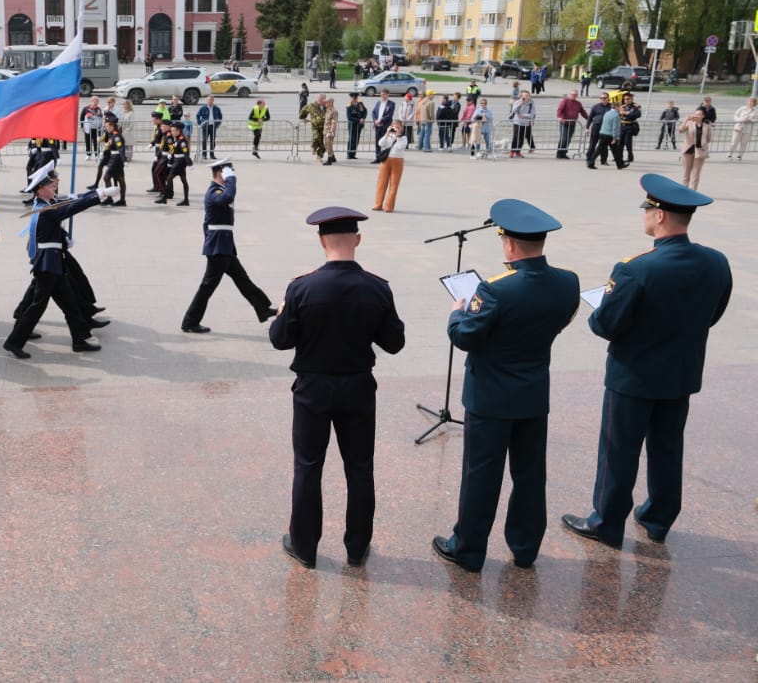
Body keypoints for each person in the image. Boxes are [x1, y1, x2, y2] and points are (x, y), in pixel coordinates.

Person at [561, 174, 731, 548]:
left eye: (647, 210)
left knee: (619, 451)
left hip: (633, 376)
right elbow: (713, 313)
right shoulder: (716, 262)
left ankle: (605, 523)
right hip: (682, 374)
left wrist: (601, 310)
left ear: (658, 216)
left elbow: (606, 324)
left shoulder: (635, 268)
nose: (644, 216)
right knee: (667, 447)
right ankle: (657, 519)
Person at [432, 200, 580, 572]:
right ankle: (525, 547)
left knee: (481, 474)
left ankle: (467, 549)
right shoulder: (568, 281)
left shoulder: (495, 289)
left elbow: (465, 336)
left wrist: (457, 312)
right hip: (532, 394)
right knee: (530, 474)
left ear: (509, 244)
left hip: (490, 398)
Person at [270, 207, 406, 568]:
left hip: (313, 388)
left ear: (321, 242)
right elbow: (395, 343)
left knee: (308, 467)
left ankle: (305, 546)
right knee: (360, 467)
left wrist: (284, 310)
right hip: (358, 387)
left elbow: (280, 340)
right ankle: (357, 547)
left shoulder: (301, 286)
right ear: (357, 241)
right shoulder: (377, 288)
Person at [3, 162, 119, 359]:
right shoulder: (46, 210)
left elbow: (72, 199)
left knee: (70, 304)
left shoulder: (47, 204)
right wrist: (99, 196)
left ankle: (80, 339)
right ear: (40, 190)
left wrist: (98, 192)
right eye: (50, 186)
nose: (54, 187)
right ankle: (14, 342)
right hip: (48, 266)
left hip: (54, 263)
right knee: (37, 306)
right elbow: (72, 208)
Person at [180, 157, 277, 334]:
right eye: (227, 172)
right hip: (218, 248)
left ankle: (262, 309)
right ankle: (190, 321)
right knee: (208, 286)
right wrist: (231, 179)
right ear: (220, 173)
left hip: (224, 246)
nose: (231, 176)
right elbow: (228, 197)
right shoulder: (214, 192)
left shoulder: (220, 190)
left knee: (242, 279)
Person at [373, 122, 407, 212]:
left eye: (397, 127)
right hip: (386, 160)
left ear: (401, 129)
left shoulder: (404, 138)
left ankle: (389, 206)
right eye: (393, 127)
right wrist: (387, 133)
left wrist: (398, 135)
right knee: (381, 183)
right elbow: (380, 143)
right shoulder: (389, 136)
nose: (395, 129)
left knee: (394, 185)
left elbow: (400, 147)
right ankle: (378, 204)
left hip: (397, 161)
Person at [677, 107, 711, 189]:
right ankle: (684, 188)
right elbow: (680, 130)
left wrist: (703, 143)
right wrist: (686, 120)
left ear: (703, 116)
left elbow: (709, 138)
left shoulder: (706, 126)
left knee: (696, 172)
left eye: (699, 114)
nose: (696, 116)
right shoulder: (689, 123)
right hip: (688, 150)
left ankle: (693, 190)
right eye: (695, 114)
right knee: (686, 171)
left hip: (700, 151)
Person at [584, 92, 614, 167]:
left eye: (604, 98)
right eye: (601, 98)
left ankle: (603, 160)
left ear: (608, 99)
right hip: (596, 127)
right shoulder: (595, 106)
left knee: (604, 145)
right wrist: (587, 127)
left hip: (606, 128)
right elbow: (590, 117)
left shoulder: (611, 107)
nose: (602, 100)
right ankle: (589, 159)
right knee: (592, 144)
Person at [615, 92, 641, 166]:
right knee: (620, 143)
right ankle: (619, 157)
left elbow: (638, 114)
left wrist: (627, 113)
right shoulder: (622, 106)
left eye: (628, 99)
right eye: (625, 99)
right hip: (622, 125)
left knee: (628, 142)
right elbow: (618, 114)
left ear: (631, 99)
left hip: (630, 125)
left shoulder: (635, 107)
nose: (626, 100)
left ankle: (630, 156)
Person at [556, 90, 584, 159]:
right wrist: (559, 117)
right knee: (563, 138)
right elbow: (560, 109)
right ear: (569, 94)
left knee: (568, 139)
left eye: (575, 95)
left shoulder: (578, 103)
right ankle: (559, 153)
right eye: (572, 94)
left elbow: (582, 111)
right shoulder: (565, 101)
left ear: (577, 96)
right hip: (564, 123)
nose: (574, 96)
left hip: (572, 123)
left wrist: (588, 118)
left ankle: (564, 153)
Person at [369, 90, 395, 163]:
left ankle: (385, 158)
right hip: (377, 126)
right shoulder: (378, 103)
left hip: (385, 126)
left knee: (385, 143)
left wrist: (380, 120)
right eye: (381, 94)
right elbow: (373, 112)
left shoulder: (391, 104)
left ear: (387, 95)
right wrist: (375, 120)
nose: (382, 96)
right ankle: (378, 157)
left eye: (384, 94)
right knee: (377, 142)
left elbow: (389, 115)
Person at [508, 91, 536, 158]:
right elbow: (513, 111)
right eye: (524, 95)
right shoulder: (517, 102)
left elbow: (532, 114)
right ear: (521, 96)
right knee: (515, 137)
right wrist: (520, 104)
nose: (525, 97)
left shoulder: (531, 103)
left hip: (526, 123)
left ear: (529, 96)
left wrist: (524, 115)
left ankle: (518, 151)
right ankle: (512, 151)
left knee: (521, 139)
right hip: (517, 122)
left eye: (527, 95)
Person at [195, 94, 222, 160]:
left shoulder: (216, 108)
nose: (210, 101)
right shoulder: (203, 108)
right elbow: (197, 116)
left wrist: (218, 124)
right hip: (205, 126)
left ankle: (212, 154)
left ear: (213, 100)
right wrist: (200, 123)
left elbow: (220, 116)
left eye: (211, 100)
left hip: (213, 126)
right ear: (207, 100)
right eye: (208, 100)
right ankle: (204, 155)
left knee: (212, 141)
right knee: (204, 140)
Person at [303, 93, 329, 162]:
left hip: (325, 127)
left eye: (323, 99)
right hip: (315, 127)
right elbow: (303, 111)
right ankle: (313, 146)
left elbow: (332, 114)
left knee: (324, 143)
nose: (321, 101)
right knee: (316, 137)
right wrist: (303, 118)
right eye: (320, 99)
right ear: (318, 99)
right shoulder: (312, 105)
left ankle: (319, 156)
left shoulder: (327, 107)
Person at [345, 92, 367, 159]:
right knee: (352, 139)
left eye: (356, 98)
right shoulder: (349, 106)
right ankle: (349, 154)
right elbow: (349, 117)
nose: (355, 99)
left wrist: (363, 118)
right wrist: (358, 120)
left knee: (357, 139)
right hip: (352, 125)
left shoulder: (360, 104)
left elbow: (365, 111)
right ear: (351, 98)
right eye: (354, 98)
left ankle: (353, 154)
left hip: (359, 125)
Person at [321, 97, 339, 165]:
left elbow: (333, 122)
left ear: (331, 103)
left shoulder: (334, 111)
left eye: (327, 102)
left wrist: (331, 132)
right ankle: (333, 157)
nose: (325, 103)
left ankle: (329, 160)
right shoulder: (328, 110)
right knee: (328, 145)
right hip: (326, 130)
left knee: (328, 145)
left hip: (329, 131)